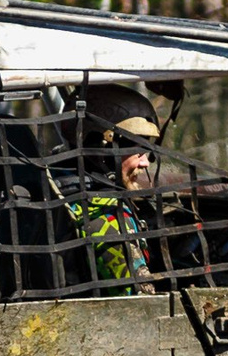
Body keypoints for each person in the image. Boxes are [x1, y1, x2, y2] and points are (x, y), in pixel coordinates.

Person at [69, 84, 162, 291]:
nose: (145, 163)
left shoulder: (74, 192)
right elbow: (141, 303)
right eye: (137, 151)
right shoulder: (107, 217)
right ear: (103, 152)